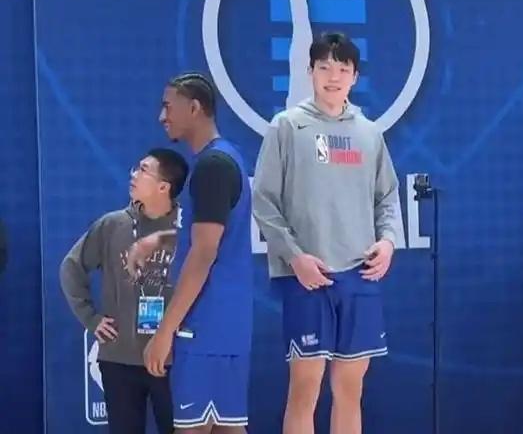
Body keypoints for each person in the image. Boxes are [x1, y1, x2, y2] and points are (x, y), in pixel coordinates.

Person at [252, 32, 401, 434]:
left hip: (359, 274)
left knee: (350, 389)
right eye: (324, 67)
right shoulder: (287, 126)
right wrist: (294, 256)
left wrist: (388, 241)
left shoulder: (369, 133)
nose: (333, 77)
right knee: (305, 389)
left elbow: (387, 196)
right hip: (308, 275)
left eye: (342, 69)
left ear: (354, 76)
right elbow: (263, 200)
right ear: (310, 72)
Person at [128, 73, 253, 434]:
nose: (162, 116)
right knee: (226, 429)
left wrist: (165, 331)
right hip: (225, 325)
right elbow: (212, 239)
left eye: (168, 106)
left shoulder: (213, 167)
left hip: (205, 328)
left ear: (194, 108)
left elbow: (204, 253)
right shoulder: (226, 159)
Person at [60, 148, 188, 434]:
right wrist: (90, 317)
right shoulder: (112, 225)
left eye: (143, 170)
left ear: (163, 187)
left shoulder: (189, 230)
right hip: (120, 358)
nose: (133, 175)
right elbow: (71, 268)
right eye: (135, 167)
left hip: (174, 358)